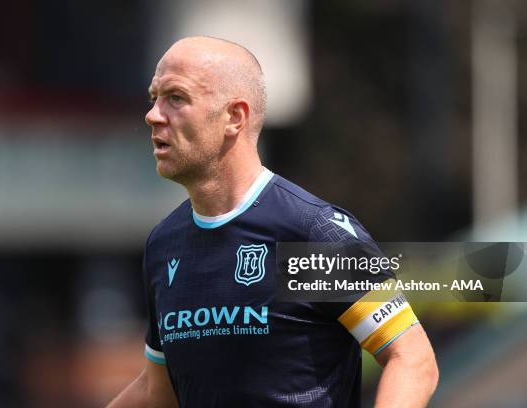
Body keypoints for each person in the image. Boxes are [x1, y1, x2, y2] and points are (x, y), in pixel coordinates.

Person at [106, 36, 438, 408]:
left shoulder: (311, 232)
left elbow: (411, 359)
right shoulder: (164, 244)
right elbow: (158, 391)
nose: (153, 115)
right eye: (154, 98)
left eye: (176, 98)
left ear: (234, 117)